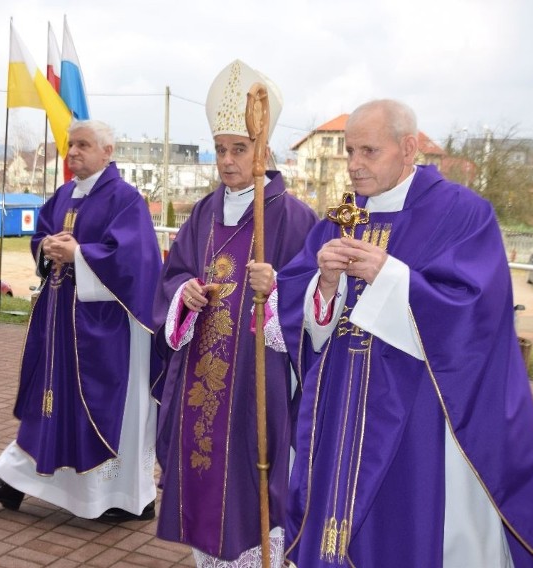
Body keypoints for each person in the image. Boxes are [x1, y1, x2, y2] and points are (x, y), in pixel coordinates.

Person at [276, 99, 533, 567]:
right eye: (349, 151)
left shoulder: (463, 213)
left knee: (410, 531)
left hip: (421, 414)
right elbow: (300, 313)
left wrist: (390, 275)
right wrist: (323, 287)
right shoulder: (342, 217)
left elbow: (477, 313)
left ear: (409, 148)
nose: (354, 165)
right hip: (342, 406)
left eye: (369, 151)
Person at [153, 59, 318, 567]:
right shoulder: (202, 212)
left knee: (254, 488)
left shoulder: (293, 219)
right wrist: (186, 295)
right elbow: (173, 274)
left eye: (239, 149)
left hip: (257, 384)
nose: (227, 161)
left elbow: (315, 301)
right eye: (221, 150)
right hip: (203, 378)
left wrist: (277, 295)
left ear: (263, 149)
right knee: (207, 479)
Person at [0, 119, 162, 523]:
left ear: (108, 152)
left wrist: (81, 255)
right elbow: (41, 236)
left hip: (106, 332)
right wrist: (47, 247)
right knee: (48, 403)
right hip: (60, 324)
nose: (73, 153)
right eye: (70, 146)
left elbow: (136, 261)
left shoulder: (125, 200)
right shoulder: (64, 195)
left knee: (100, 410)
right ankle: (12, 483)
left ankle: (120, 498)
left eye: (83, 145)